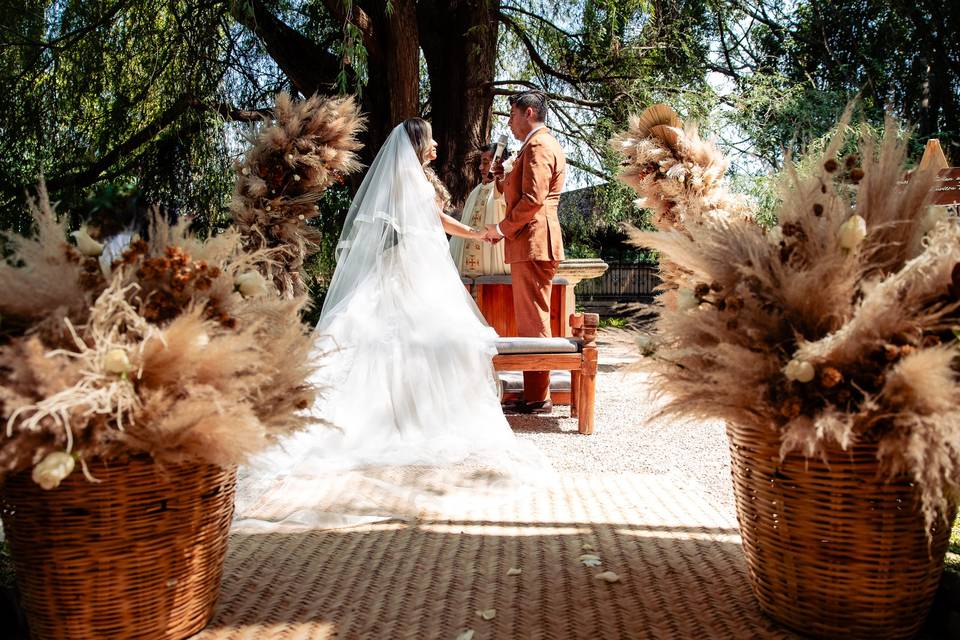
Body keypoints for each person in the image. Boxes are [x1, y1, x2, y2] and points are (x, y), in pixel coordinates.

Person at [234, 118, 551, 530]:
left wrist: (475, 234)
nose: (437, 145)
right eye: (432, 139)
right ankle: (411, 418)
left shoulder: (413, 177)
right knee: (421, 339)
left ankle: (412, 412)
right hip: (416, 269)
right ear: (417, 144)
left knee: (417, 341)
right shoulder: (411, 181)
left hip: (415, 266)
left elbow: (436, 220)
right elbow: (435, 222)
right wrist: (478, 234)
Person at [483, 91, 566, 414]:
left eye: (512, 115)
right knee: (531, 317)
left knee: (533, 318)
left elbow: (533, 199)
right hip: (530, 241)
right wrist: (503, 178)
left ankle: (538, 398)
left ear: (528, 113)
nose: (509, 123)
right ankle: (535, 394)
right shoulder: (532, 147)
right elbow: (521, 193)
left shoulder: (540, 146)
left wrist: (500, 229)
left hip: (535, 240)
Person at [449, 144, 511, 276]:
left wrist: (501, 177)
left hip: (494, 267)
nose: (480, 168)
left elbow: (501, 194)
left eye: (486, 163)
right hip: (466, 271)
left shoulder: (506, 188)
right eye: (480, 163)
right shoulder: (475, 191)